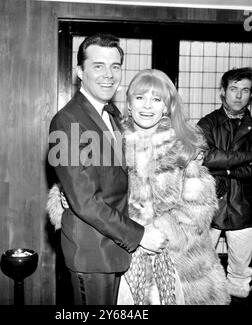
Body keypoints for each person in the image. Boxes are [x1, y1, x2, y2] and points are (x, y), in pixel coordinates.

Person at [49, 68, 231, 305]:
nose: (147, 106)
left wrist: (155, 233)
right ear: (129, 104)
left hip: (180, 265)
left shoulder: (184, 145)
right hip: (123, 254)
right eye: (140, 98)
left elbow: (199, 212)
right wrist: (63, 197)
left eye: (156, 100)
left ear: (167, 107)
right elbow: (83, 187)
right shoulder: (112, 138)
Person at [48, 34, 167, 305]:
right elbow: (86, 201)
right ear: (80, 71)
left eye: (115, 66)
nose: (108, 75)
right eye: (98, 66)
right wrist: (140, 235)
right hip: (91, 252)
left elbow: (116, 177)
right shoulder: (66, 121)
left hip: (112, 249)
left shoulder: (112, 114)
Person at [197, 67, 252, 299]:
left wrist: (224, 168)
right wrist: (245, 158)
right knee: (200, 269)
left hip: (244, 206)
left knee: (240, 274)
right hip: (209, 204)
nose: (239, 95)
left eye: (245, 90)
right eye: (233, 89)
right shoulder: (207, 123)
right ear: (223, 92)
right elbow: (205, 157)